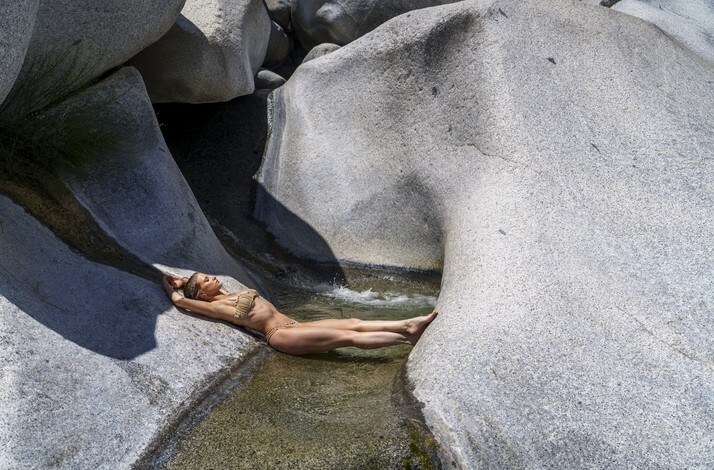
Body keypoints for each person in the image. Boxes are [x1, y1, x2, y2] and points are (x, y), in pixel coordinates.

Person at [162, 272, 438, 355]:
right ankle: (406, 339)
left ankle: (407, 323)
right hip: (279, 335)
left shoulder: (228, 295)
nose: (212, 278)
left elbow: (187, 286)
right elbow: (180, 301)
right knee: (348, 337)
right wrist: (170, 284)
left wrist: (182, 278)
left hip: (294, 324)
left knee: (352, 322)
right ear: (201, 294)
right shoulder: (213, 306)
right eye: (207, 280)